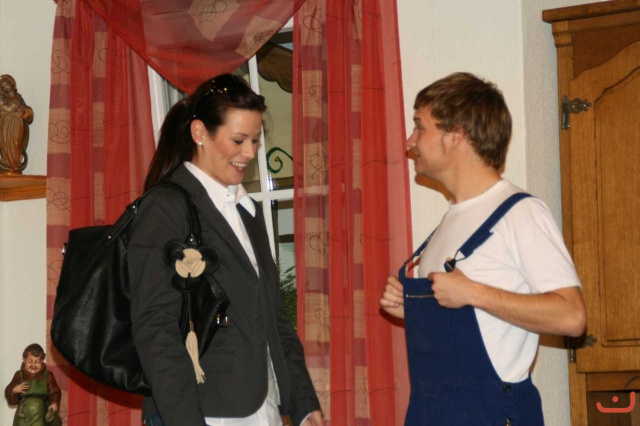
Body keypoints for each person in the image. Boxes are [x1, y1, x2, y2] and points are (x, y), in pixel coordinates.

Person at [379, 72, 587, 425]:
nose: (410, 140)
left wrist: (473, 292)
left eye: (420, 127)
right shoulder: (447, 224)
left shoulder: (521, 213)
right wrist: (414, 310)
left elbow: (572, 317)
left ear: (455, 135)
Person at [128, 74, 322, 426]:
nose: (250, 152)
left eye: (255, 140)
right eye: (238, 140)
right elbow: (155, 328)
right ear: (200, 133)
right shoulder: (166, 208)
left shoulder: (247, 210)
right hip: (203, 412)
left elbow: (273, 316)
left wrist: (303, 403)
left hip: (262, 409)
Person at [4, 343, 62, 426]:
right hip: (22, 415)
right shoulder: (19, 375)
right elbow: (9, 391)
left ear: (42, 361)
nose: (33, 364)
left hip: (40, 415)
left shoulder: (47, 375)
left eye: (37, 361)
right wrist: (14, 391)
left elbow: (55, 392)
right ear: (24, 360)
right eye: (30, 361)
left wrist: (54, 403)